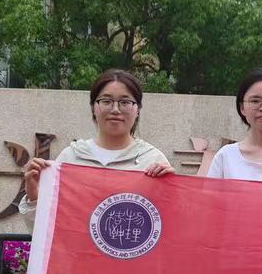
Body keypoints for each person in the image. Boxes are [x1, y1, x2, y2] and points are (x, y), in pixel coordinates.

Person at [20, 69, 175, 217]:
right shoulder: (70, 158)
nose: (115, 109)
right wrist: (34, 197)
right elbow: (47, 227)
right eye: (106, 101)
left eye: (125, 102)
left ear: (138, 109)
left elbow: (168, 221)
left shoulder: (153, 160)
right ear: (93, 107)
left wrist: (173, 189)